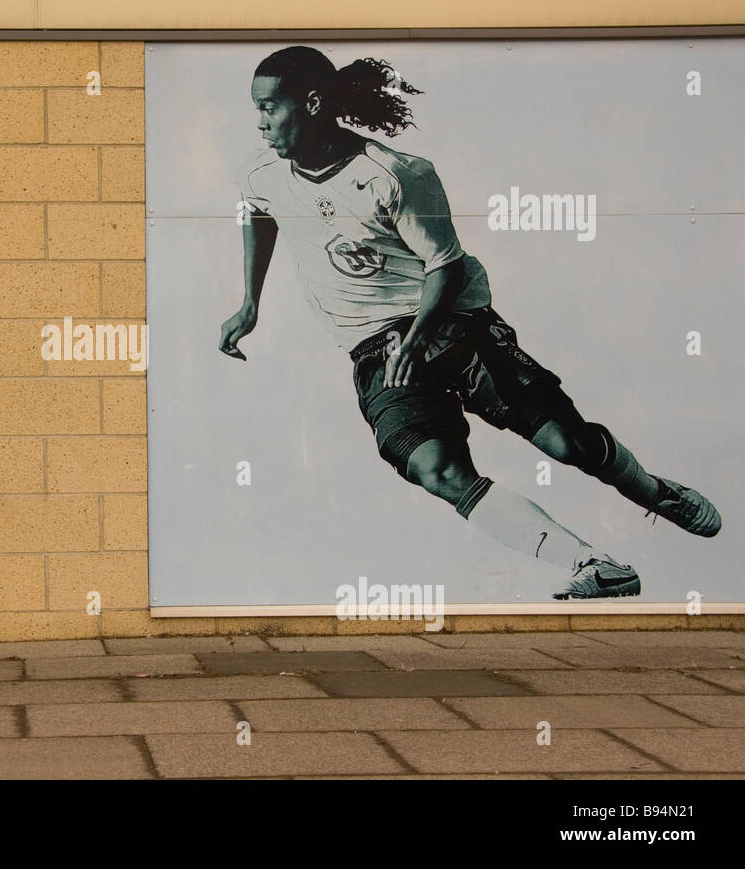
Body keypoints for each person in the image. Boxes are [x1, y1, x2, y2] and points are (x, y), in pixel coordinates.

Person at [219, 45, 721, 599]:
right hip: (374, 351)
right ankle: (593, 563)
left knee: (566, 445)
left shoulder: (396, 174)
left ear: (310, 102)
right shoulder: (261, 171)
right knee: (435, 469)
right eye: (256, 110)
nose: (260, 122)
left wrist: (418, 336)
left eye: (269, 108)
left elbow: (445, 266)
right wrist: (250, 303)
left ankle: (653, 492)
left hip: (456, 328)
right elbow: (257, 209)